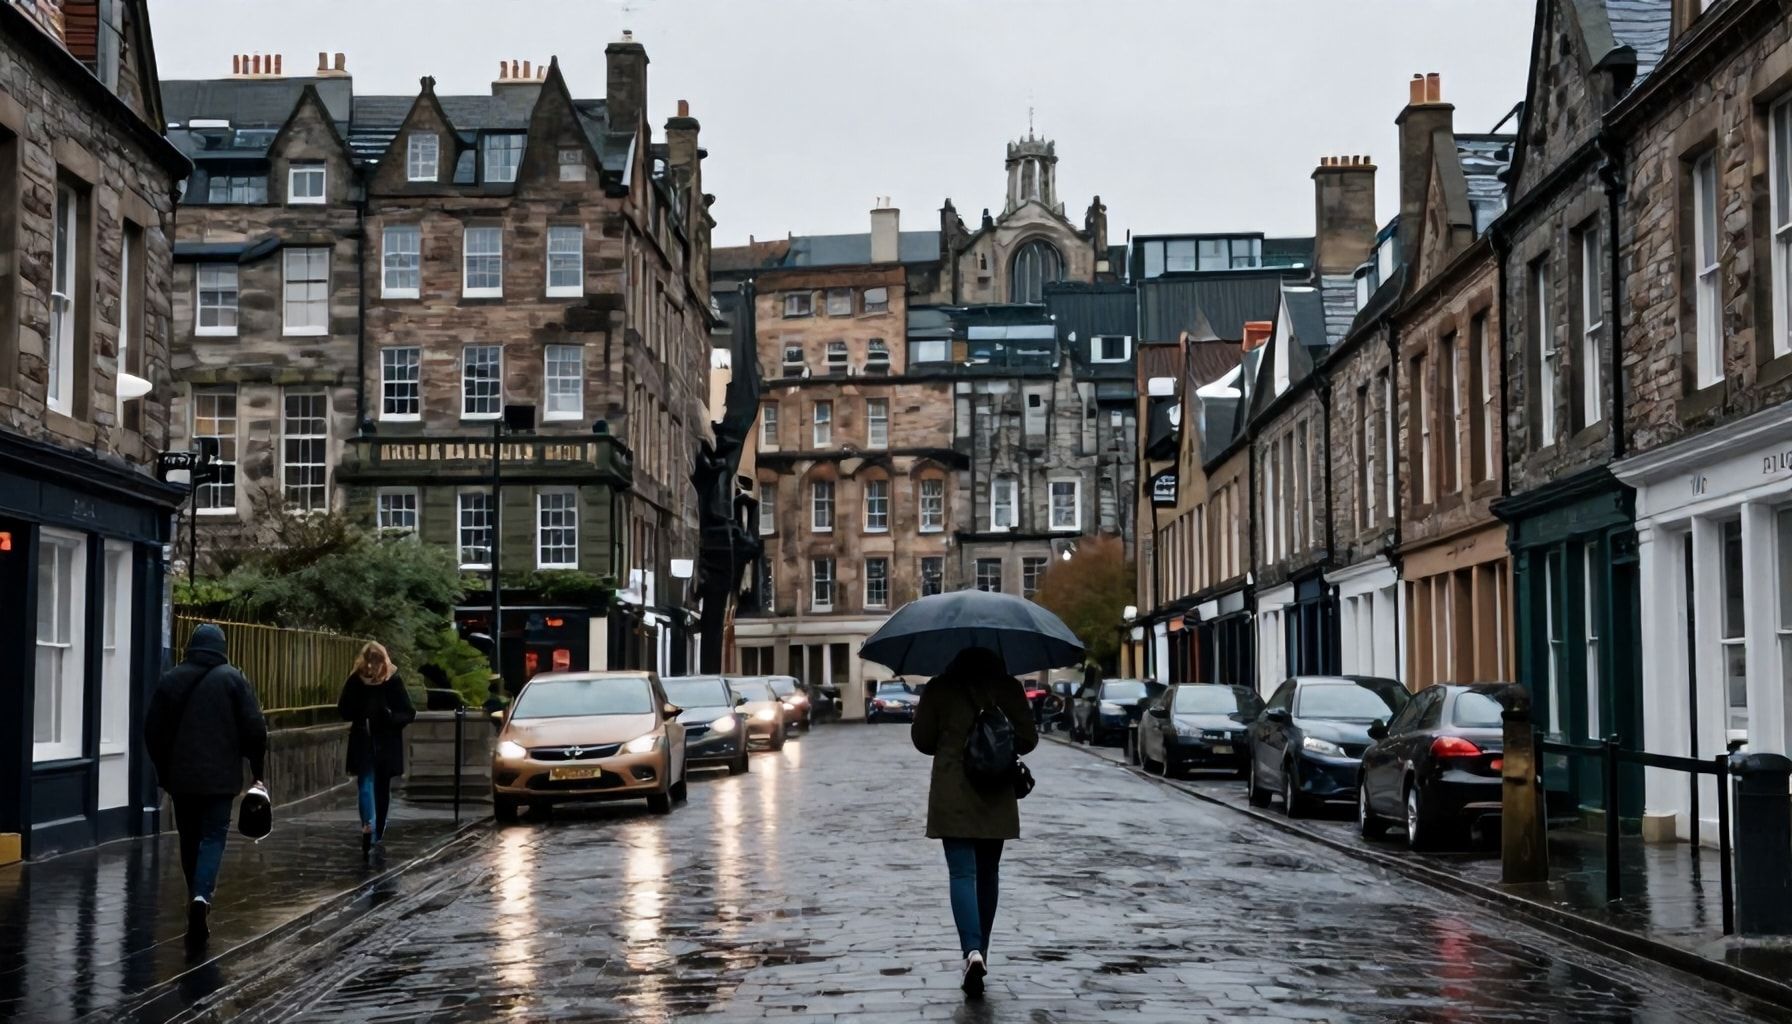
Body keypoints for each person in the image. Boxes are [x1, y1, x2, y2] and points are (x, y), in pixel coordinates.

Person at [910, 646, 1038, 996]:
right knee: (988, 873)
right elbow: (1028, 739)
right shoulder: (1008, 687)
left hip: (954, 790)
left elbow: (922, 741)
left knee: (962, 872)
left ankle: (971, 951)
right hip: (995, 790)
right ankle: (983, 949)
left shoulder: (940, 687)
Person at [143, 622, 268, 944]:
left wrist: (164, 770)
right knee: (213, 836)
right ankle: (201, 898)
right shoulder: (233, 679)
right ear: (222, 648)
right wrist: (257, 771)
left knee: (189, 837)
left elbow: (152, 731)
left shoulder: (171, 680)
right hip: (220, 777)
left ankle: (193, 895)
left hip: (180, 778)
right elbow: (254, 728)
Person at [337, 642, 416, 858]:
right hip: (383, 740)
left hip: (367, 737)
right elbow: (408, 712)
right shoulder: (392, 680)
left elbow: (343, 710)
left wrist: (365, 714)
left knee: (367, 782)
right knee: (379, 786)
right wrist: (391, 718)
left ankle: (368, 825)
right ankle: (376, 830)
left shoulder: (356, 680)